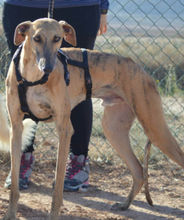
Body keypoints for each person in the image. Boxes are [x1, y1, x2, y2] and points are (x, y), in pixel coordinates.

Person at [2, 0, 109, 191]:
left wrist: (102, 8)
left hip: (78, 5)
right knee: (22, 81)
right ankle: (21, 159)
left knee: (79, 82)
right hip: (23, 4)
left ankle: (78, 160)